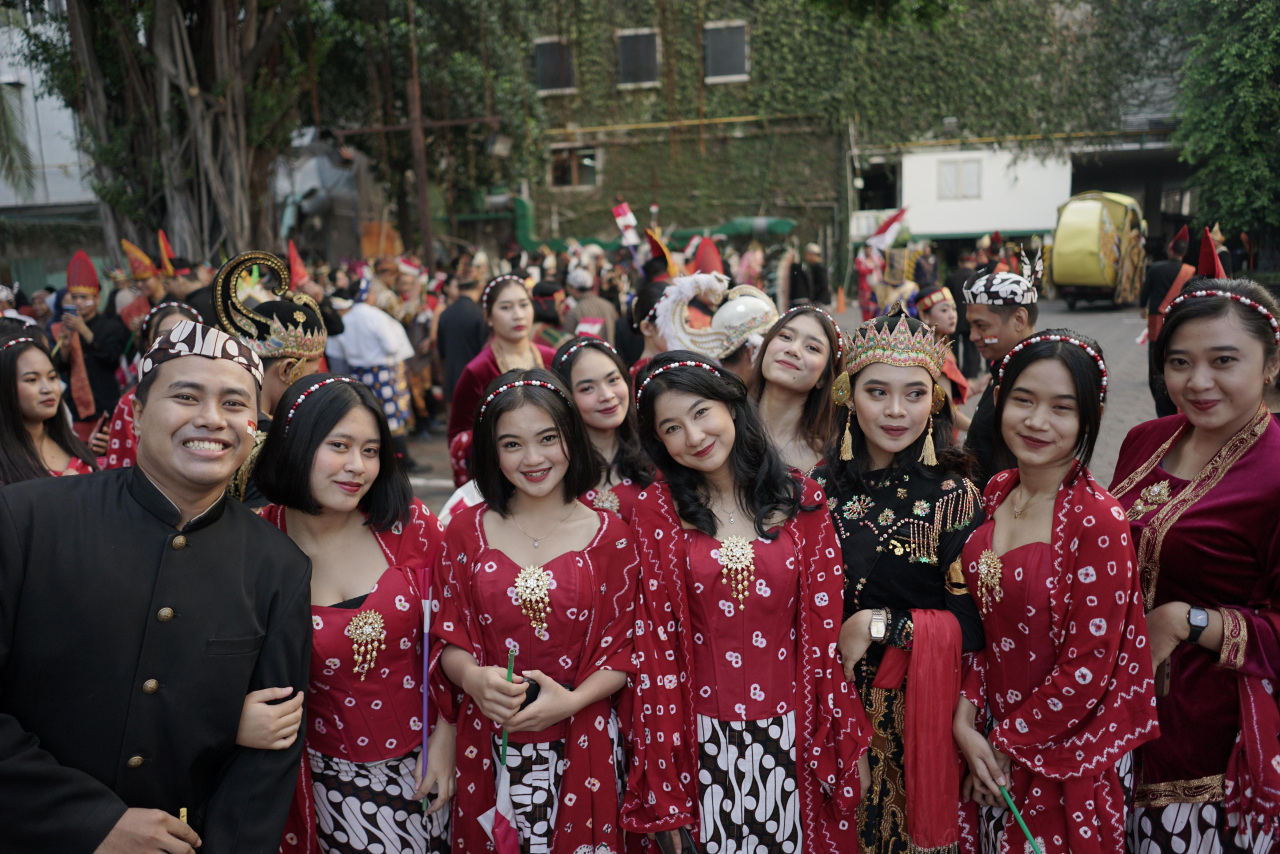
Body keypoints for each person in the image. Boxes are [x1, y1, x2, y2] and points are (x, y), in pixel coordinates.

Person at [0, 318, 311, 852]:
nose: (211, 418)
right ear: (138, 414)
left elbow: (267, 762)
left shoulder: (277, 565)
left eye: (234, 403)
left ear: (255, 425)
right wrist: (90, 822)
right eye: (186, 397)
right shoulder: (26, 520)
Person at [622, 351, 871, 853]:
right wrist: (663, 773)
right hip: (697, 735)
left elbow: (823, 632)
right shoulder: (657, 510)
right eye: (672, 428)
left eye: (701, 413)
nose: (693, 436)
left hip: (794, 729)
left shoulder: (801, 498)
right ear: (658, 442)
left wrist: (840, 732)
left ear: (731, 406)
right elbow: (653, 642)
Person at [955, 330, 1157, 854]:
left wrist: (1003, 744)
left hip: (1065, 753)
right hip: (990, 744)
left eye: (1062, 408)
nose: (1037, 421)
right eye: (1023, 400)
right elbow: (985, 625)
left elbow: (1087, 669)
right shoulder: (998, 491)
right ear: (1000, 400)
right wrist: (966, 720)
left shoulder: (1098, 520)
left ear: (1090, 417)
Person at [429, 368, 638, 854]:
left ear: (572, 437)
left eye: (548, 438)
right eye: (512, 444)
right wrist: (473, 679)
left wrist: (573, 700)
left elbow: (625, 648)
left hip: (584, 738)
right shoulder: (464, 531)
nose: (534, 459)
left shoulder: (612, 535)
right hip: (488, 739)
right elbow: (448, 635)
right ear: (491, 451)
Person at [1110, 281, 1280, 852]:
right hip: (1116, 723)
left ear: (1271, 364)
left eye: (1223, 361)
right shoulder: (1145, 439)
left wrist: (1187, 620)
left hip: (1212, 750)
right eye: (1180, 362)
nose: (1198, 382)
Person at [255, 375, 454, 854]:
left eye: (371, 451)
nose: (357, 467)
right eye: (339, 446)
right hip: (326, 781)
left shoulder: (408, 523)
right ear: (295, 444)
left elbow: (461, 628)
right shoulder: (254, 546)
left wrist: (447, 737)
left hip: (441, 761)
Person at [817, 310, 985, 854]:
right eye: (877, 392)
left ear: (934, 401)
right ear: (847, 395)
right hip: (824, 704)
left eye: (914, 394)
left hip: (916, 712)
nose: (896, 411)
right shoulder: (815, 490)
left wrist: (878, 624)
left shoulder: (954, 496)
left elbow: (973, 627)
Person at [210, 251, 329, 502]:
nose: (315, 386)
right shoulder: (275, 443)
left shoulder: (211, 421)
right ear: (287, 370)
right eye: (312, 375)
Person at [445, 275, 557, 485]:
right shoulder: (477, 371)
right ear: (488, 317)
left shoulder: (552, 358)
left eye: (524, 305)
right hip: (502, 477)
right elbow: (457, 433)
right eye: (506, 307)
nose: (518, 315)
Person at [550, 336, 654, 522]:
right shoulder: (556, 466)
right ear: (567, 398)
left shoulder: (656, 450)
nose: (607, 395)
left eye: (613, 380)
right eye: (587, 388)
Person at [327, 275, 420, 467]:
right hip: (381, 373)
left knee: (368, 416)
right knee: (391, 418)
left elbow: (336, 353)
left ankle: (379, 460)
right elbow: (391, 347)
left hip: (357, 374)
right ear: (367, 294)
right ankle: (403, 461)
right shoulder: (376, 316)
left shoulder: (345, 318)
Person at [961, 269, 1039, 489]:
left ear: (1019, 319)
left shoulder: (1032, 382)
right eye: (971, 326)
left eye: (982, 326)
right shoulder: (1003, 369)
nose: (973, 336)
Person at [104, 301, 201, 469]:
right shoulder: (130, 405)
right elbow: (123, 471)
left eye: (187, 335)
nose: (178, 344)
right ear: (148, 344)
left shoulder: (221, 397)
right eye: (165, 336)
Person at [750, 304, 843, 474]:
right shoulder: (724, 426)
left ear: (823, 378)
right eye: (786, 336)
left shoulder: (830, 461)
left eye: (812, 348)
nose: (793, 350)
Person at [0, 333, 98, 482]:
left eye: (52, 377)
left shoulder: (71, 443)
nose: (47, 389)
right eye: (32, 380)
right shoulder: (5, 463)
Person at [56, 250, 129, 427]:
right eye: (74, 298)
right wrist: (65, 345)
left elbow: (111, 359)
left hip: (105, 400)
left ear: (97, 299)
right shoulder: (66, 327)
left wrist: (83, 329)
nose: (78, 302)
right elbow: (61, 367)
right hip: (76, 405)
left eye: (84, 297)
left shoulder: (112, 326)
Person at [1140, 226, 1194, 418]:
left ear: (1171, 250)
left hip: (1156, 320)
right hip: (1177, 321)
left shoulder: (1155, 268)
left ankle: (1161, 405)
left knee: (1155, 360)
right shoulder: (1190, 272)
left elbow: (1145, 290)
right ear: (1184, 252)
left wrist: (1142, 306)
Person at [916, 285, 973, 433]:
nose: (952, 315)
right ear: (924, 316)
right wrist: (978, 430)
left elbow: (941, 396)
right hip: (937, 434)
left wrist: (976, 387)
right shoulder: (936, 355)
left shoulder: (939, 346)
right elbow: (946, 410)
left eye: (954, 309)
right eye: (944, 310)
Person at [437, 274, 488, 400]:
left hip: (451, 376)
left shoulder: (445, 314)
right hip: (475, 377)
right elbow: (485, 349)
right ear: (479, 287)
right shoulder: (480, 314)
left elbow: (441, 350)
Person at [944, 252, 982, 380]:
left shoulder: (951, 278)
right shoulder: (978, 278)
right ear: (973, 263)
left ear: (960, 263)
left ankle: (954, 370)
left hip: (954, 316)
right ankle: (971, 372)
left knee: (952, 344)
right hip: (974, 316)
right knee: (972, 344)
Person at [626, 276, 671, 378]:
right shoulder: (648, 377)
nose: (683, 329)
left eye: (686, 321)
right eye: (672, 322)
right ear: (647, 328)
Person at [562, 266, 618, 343]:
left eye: (568, 287)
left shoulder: (574, 313)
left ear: (573, 288)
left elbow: (567, 343)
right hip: (610, 350)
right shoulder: (609, 306)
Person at [856, 243, 884, 321]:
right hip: (865, 288)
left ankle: (874, 325)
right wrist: (872, 269)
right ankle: (867, 326)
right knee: (866, 310)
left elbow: (883, 266)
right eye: (866, 249)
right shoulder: (860, 260)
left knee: (877, 309)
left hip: (876, 288)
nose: (868, 251)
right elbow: (861, 271)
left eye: (869, 249)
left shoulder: (876, 259)